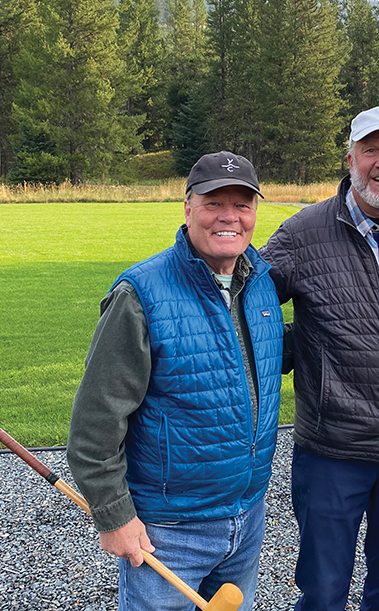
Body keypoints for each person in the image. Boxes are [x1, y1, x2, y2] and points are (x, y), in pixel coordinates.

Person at [67, 151, 284, 611]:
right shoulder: (140, 294)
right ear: (188, 209)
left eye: (242, 204)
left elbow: (256, 358)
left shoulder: (259, 281)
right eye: (213, 203)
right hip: (169, 530)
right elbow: (95, 423)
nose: (229, 217)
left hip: (246, 516)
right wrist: (114, 515)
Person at [261, 106, 379, 611]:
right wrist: (291, 347)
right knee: (323, 592)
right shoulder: (304, 233)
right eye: (371, 150)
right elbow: (244, 301)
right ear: (350, 158)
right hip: (332, 450)